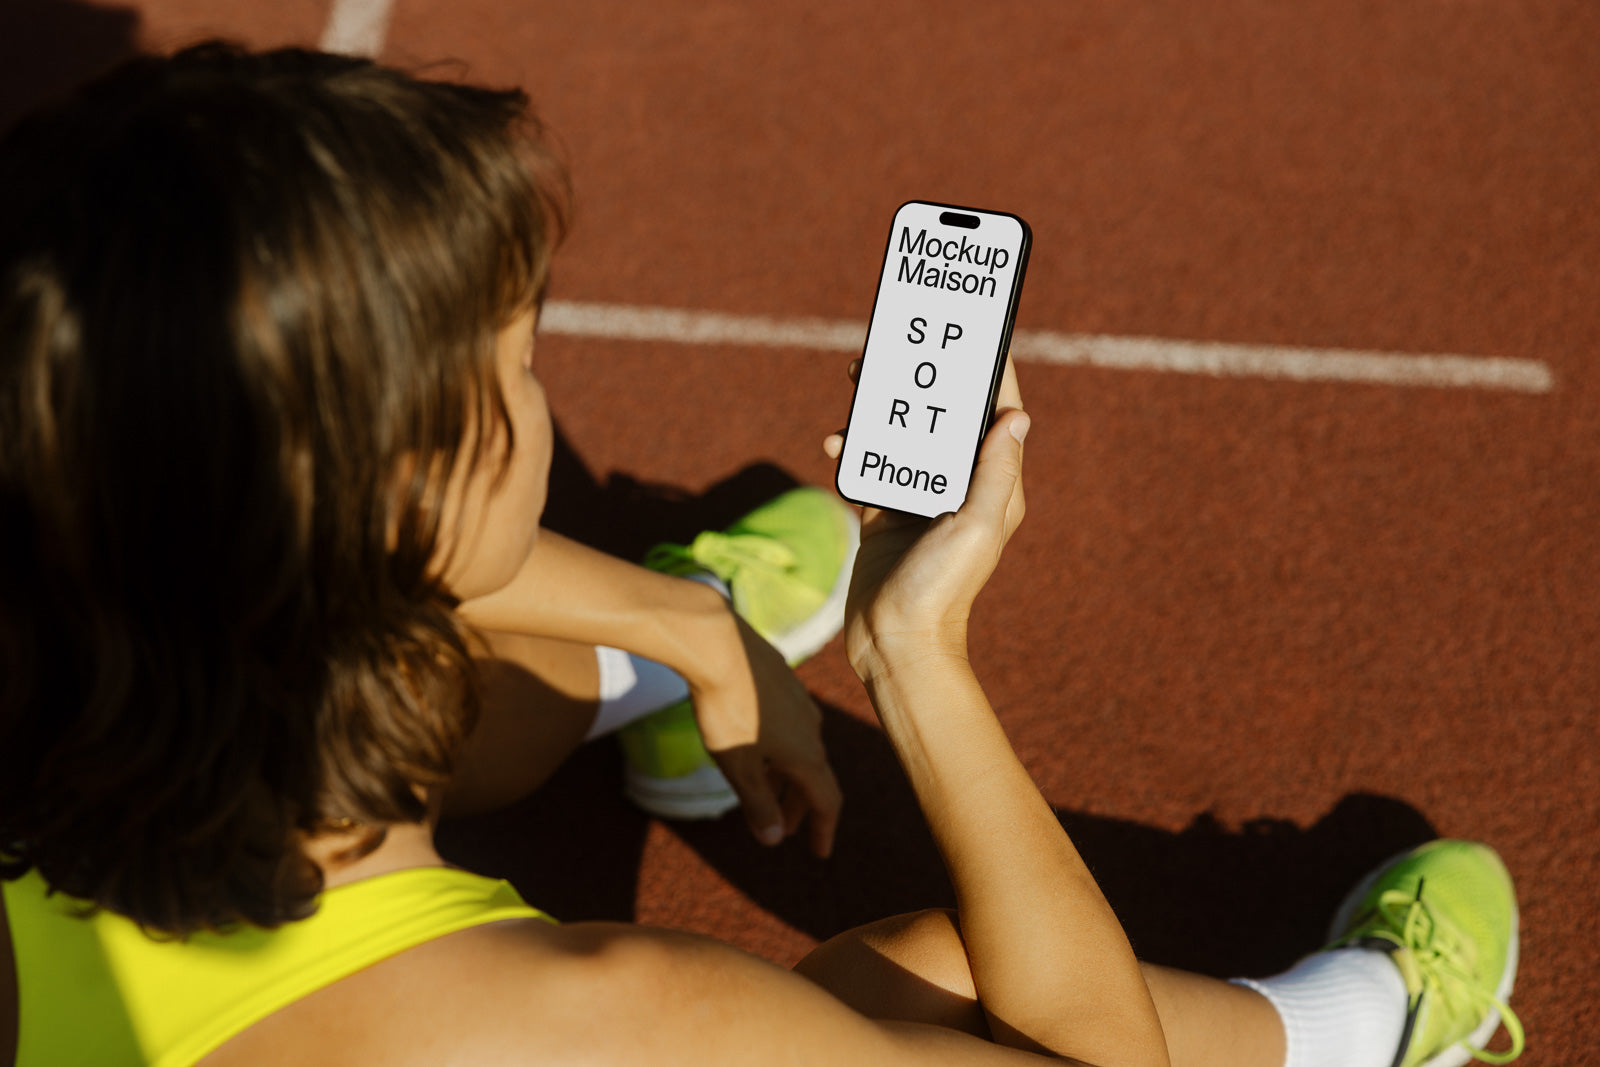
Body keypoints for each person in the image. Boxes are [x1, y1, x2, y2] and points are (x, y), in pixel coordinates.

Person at [0, 43, 1524, 1067]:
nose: (544, 398)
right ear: (402, 500)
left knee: (496, 689)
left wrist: (699, 626)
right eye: (522, 370)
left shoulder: (72, 603)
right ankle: (1362, 1023)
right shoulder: (646, 1023)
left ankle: (637, 672)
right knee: (942, 967)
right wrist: (915, 659)